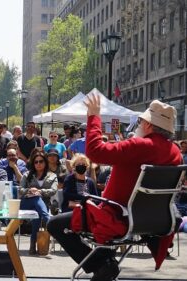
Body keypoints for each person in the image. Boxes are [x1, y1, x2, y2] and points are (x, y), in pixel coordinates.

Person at [47, 94, 182, 281]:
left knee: (54, 224)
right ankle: (106, 262)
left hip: (117, 217)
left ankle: (102, 264)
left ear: (149, 125)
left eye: (141, 121)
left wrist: (94, 116)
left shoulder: (141, 145)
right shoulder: (175, 152)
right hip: (153, 221)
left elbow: (95, 152)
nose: (139, 124)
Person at [19, 151, 57, 255]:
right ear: (33, 163)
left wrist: (40, 191)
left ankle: (32, 246)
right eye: (36, 162)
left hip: (43, 204)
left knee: (37, 211)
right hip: (27, 202)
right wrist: (30, 190)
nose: (38, 164)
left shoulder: (52, 176)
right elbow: (20, 189)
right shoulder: (27, 175)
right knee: (36, 199)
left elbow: (53, 190)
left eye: (41, 161)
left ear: (45, 162)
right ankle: (48, 220)